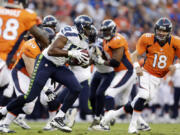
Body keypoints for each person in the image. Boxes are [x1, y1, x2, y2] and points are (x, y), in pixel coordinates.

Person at [0, 15, 95, 133]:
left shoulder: (84, 41)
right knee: (29, 97)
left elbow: (72, 61)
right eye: (87, 28)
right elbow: (51, 51)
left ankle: (58, 118)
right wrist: (71, 53)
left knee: (76, 88)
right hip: (46, 63)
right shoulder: (69, 32)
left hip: (59, 66)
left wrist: (85, 60)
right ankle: (3, 112)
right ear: (80, 27)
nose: (89, 30)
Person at [100, 17, 180, 134]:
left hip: (158, 78)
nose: (161, 33)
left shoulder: (176, 42)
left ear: (169, 31)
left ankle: (113, 114)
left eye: (164, 31)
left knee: (140, 101)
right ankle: (132, 127)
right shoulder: (147, 38)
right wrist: (137, 67)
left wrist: (176, 66)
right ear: (155, 29)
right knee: (143, 95)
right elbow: (134, 55)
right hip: (145, 72)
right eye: (159, 30)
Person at [0, 26, 55, 133]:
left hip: (35, 76)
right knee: (24, 98)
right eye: (49, 40)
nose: (50, 42)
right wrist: (45, 88)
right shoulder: (31, 47)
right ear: (42, 38)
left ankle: (3, 112)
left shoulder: (46, 47)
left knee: (28, 109)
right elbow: (32, 72)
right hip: (22, 74)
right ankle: (3, 121)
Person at [90, 19, 136, 130]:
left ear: (113, 30)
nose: (105, 33)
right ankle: (140, 121)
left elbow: (116, 62)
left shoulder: (117, 40)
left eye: (107, 30)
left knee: (109, 94)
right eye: (104, 30)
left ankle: (105, 124)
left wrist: (101, 61)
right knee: (123, 103)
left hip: (126, 71)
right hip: (121, 72)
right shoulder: (105, 41)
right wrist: (97, 58)